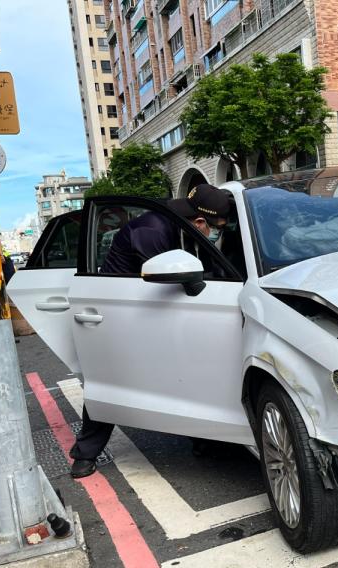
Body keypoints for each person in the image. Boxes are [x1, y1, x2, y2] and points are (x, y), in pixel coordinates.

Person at [69, 184, 234, 478]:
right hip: (121, 311)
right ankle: (85, 453)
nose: (217, 233)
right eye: (218, 228)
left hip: (161, 306)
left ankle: (204, 437)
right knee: (112, 380)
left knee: (190, 372)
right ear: (200, 222)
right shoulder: (153, 230)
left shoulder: (186, 227)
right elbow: (182, 277)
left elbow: (208, 266)